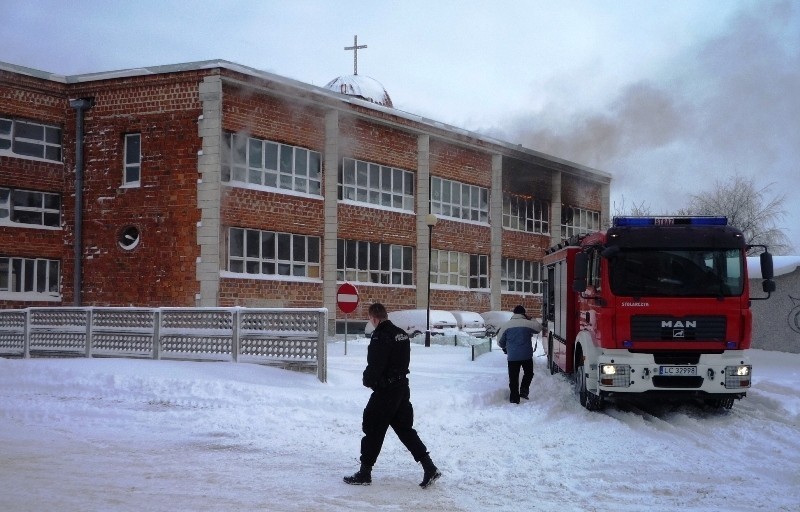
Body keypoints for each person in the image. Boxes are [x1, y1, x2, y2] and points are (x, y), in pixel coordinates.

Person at [343, 302, 442, 488]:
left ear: (374, 317)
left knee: (372, 426)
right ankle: (429, 466)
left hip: (386, 391)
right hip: (402, 387)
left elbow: (375, 365)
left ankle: (365, 473)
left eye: (370, 319)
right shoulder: (402, 334)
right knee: (405, 429)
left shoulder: (380, 336)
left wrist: (368, 380)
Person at [496, 305, 542, 404]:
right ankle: (524, 392)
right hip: (526, 356)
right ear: (523, 313)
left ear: (514, 313)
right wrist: (532, 319)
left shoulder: (506, 325)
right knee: (529, 374)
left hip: (512, 357)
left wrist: (506, 348)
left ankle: (514, 399)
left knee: (513, 378)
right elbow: (538, 328)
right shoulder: (527, 323)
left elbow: (500, 342)